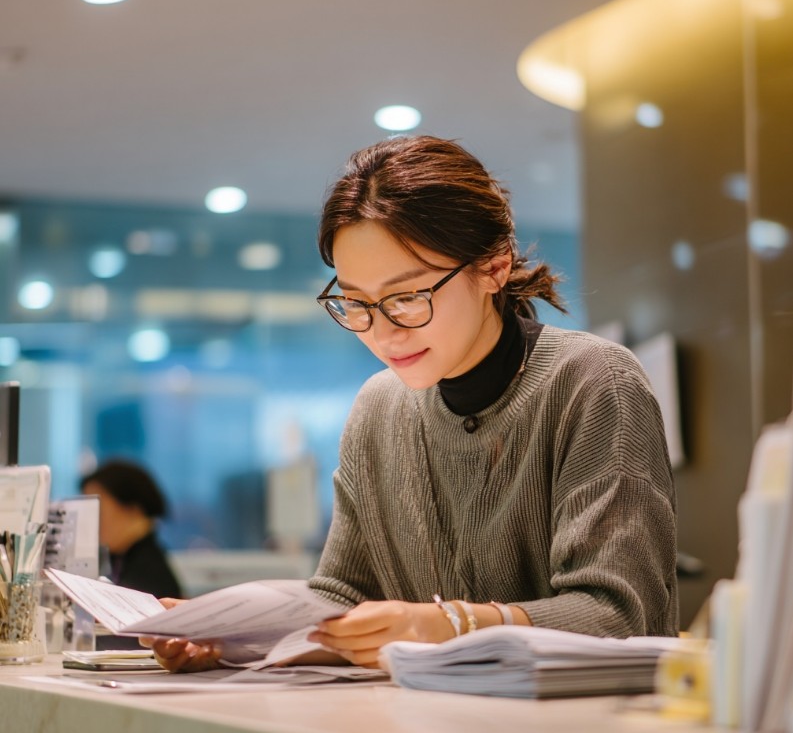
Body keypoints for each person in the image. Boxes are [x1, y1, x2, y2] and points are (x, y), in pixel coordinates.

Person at [150, 135, 678, 672]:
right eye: (356, 303)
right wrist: (231, 636)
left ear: (494, 267)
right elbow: (343, 598)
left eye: (406, 297)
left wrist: (451, 624)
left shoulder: (591, 382)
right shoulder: (379, 409)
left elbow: (617, 616)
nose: (382, 332)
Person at [81, 458, 183, 600]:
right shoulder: (121, 559)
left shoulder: (148, 574)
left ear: (133, 509)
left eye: (97, 510)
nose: (90, 520)